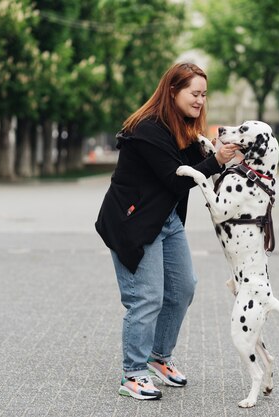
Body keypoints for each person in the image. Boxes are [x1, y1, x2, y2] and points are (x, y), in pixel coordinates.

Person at [95, 62, 239, 400]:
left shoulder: (182, 128)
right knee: (145, 298)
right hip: (133, 222)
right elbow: (177, 178)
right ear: (173, 91)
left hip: (166, 220)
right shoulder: (147, 129)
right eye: (194, 93)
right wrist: (216, 160)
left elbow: (192, 168)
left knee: (183, 288)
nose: (201, 100)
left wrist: (217, 154)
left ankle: (158, 357)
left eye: (204, 94)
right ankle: (132, 373)